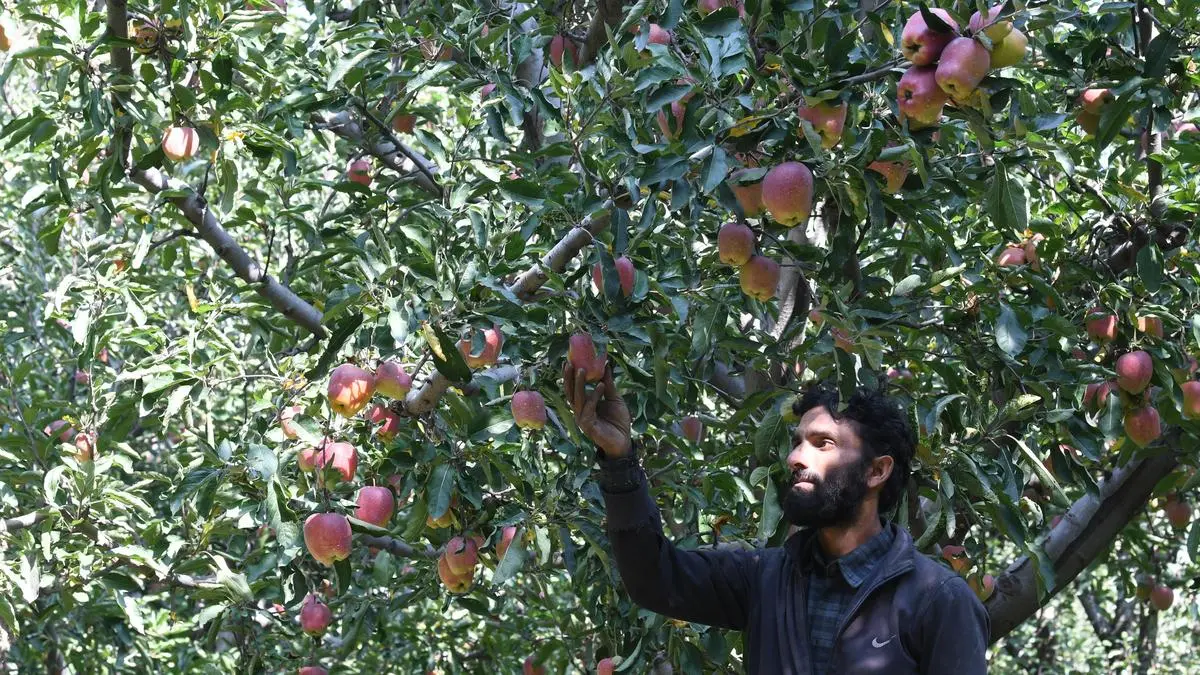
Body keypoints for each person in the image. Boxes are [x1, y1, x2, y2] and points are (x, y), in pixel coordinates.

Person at [562, 362, 990, 674]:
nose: (794, 458)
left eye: (823, 443)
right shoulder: (764, 578)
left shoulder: (939, 600)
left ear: (877, 470)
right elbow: (655, 578)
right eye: (797, 442)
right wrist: (619, 460)